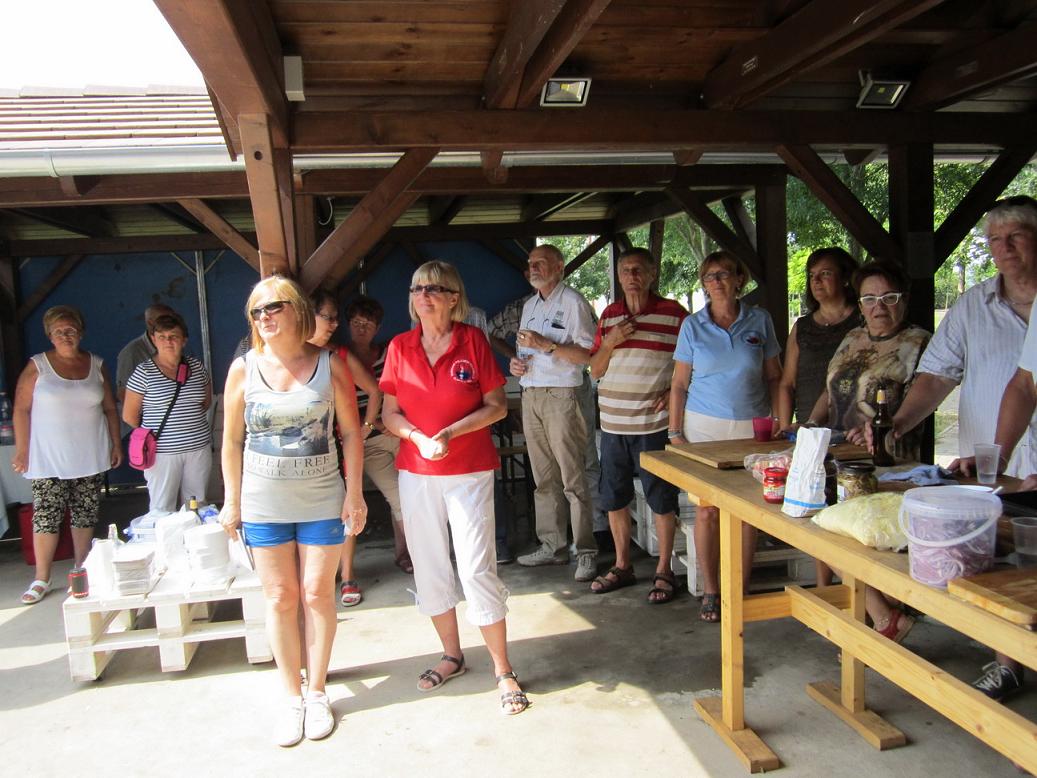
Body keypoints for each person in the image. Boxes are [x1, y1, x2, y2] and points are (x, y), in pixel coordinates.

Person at [220, 276, 367, 747]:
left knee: (316, 593)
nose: (264, 317)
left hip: (322, 496)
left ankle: (318, 692)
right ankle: (291, 697)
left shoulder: (330, 364)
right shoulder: (243, 369)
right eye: (256, 311)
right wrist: (232, 500)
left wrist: (355, 493)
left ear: (297, 310)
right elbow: (231, 440)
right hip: (263, 502)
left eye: (273, 307)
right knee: (281, 597)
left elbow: (351, 432)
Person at [380, 260, 529, 716]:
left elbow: (496, 406)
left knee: (476, 567)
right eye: (417, 288)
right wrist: (417, 437)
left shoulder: (473, 341)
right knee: (428, 565)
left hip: (468, 471)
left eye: (433, 288)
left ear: (453, 297)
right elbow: (389, 414)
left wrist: (449, 433)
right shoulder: (400, 346)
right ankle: (452, 656)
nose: (423, 295)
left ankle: (503, 669)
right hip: (416, 472)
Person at [939, 195, 1037, 701]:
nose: (1005, 248)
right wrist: (994, 459)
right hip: (1018, 471)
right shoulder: (974, 304)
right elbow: (1025, 384)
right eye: (996, 240)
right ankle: (1008, 665)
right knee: (1009, 562)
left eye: (1017, 236)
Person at [805, 260, 931, 642]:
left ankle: (883, 618)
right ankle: (880, 617)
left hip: (888, 461)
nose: (879, 306)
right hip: (839, 458)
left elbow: (921, 401)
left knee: (862, 540)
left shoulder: (918, 343)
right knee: (826, 529)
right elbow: (830, 390)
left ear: (904, 300)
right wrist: (810, 425)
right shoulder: (852, 337)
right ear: (859, 303)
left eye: (889, 297)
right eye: (870, 298)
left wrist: (879, 429)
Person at [668, 251, 782, 622]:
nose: (716, 281)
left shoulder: (759, 320)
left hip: (752, 427)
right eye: (709, 276)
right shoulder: (693, 325)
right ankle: (712, 591)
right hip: (704, 428)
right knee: (707, 510)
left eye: (723, 274)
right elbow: (679, 384)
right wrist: (675, 432)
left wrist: (780, 420)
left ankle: (741, 590)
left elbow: (775, 376)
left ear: (739, 279)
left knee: (747, 512)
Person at [586, 248, 688, 602]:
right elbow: (595, 370)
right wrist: (610, 341)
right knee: (614, 498)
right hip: (613, 425)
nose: (632, 276)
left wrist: (673, 391)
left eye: (638, 269)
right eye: (625, 270)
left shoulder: (674, 314)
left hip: (653, 425)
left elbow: (692, 362)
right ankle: (622, 565)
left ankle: (664, 570)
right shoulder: (609, 316)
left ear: (652, 273)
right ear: (618, 276)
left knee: (661, 498)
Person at [11, 306, 122, 604]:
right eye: (59, 331)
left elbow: (110, 409)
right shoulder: (38, 366)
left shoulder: (96, 364)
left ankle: (80, 569)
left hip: (89, 454)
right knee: (47, 516)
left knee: (85, 513)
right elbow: (21, 409)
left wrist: (116, 444)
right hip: (48, 457)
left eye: (71, 329)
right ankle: (41, 578)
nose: (65, 335)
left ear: (81, 332)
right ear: (49, 335)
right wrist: (23, 450)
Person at [310, 290, 410, 608]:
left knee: (367, 502)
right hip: (333, 443)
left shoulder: (341, 354)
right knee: (395, 498)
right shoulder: (305, 355)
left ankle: (353, 573)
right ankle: (327, 575)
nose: (359, 328)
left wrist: (373, 425)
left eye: (367, 324)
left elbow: (382, 390)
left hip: (370, 437)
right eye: (354, 322)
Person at [511, 244, 599, 581]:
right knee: (543, 479)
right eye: (531, 263)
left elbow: (589, 356)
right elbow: (526, 351)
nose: (533, 268)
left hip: (563, 394)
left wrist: (546, 345)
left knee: (573, 478)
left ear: (559, 266)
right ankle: (553, 547)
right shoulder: (530, 305)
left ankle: (586, 552)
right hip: (531, 393)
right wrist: (517, 364)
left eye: (541, 263)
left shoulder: (574, 302)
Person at [122, 313, 212, 514]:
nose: (168, 341)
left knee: (197, 505)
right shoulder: (144, 372)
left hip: (198, 447)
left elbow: (205, 402)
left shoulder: (197, 367)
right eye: (162, 337)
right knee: (162, 507)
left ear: (184, 340)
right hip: (162, 452)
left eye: (173, 336)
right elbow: (129, 415)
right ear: (153, 340)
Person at [776, 247, 861, 431]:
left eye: (825, 273)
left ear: (845, 278)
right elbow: (787, 384)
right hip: (809, 428)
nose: (816, 280)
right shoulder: (802, 327)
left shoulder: (863, 321)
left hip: (854, 429)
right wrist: (785, 427)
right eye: (812, 275)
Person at [116, 303, 175, 432]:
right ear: (150, 322)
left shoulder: (173, 345)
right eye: (163, 320)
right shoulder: (132, 352)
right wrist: (146, 423)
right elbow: (123, 394)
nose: (168, 324)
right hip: (144, 427)